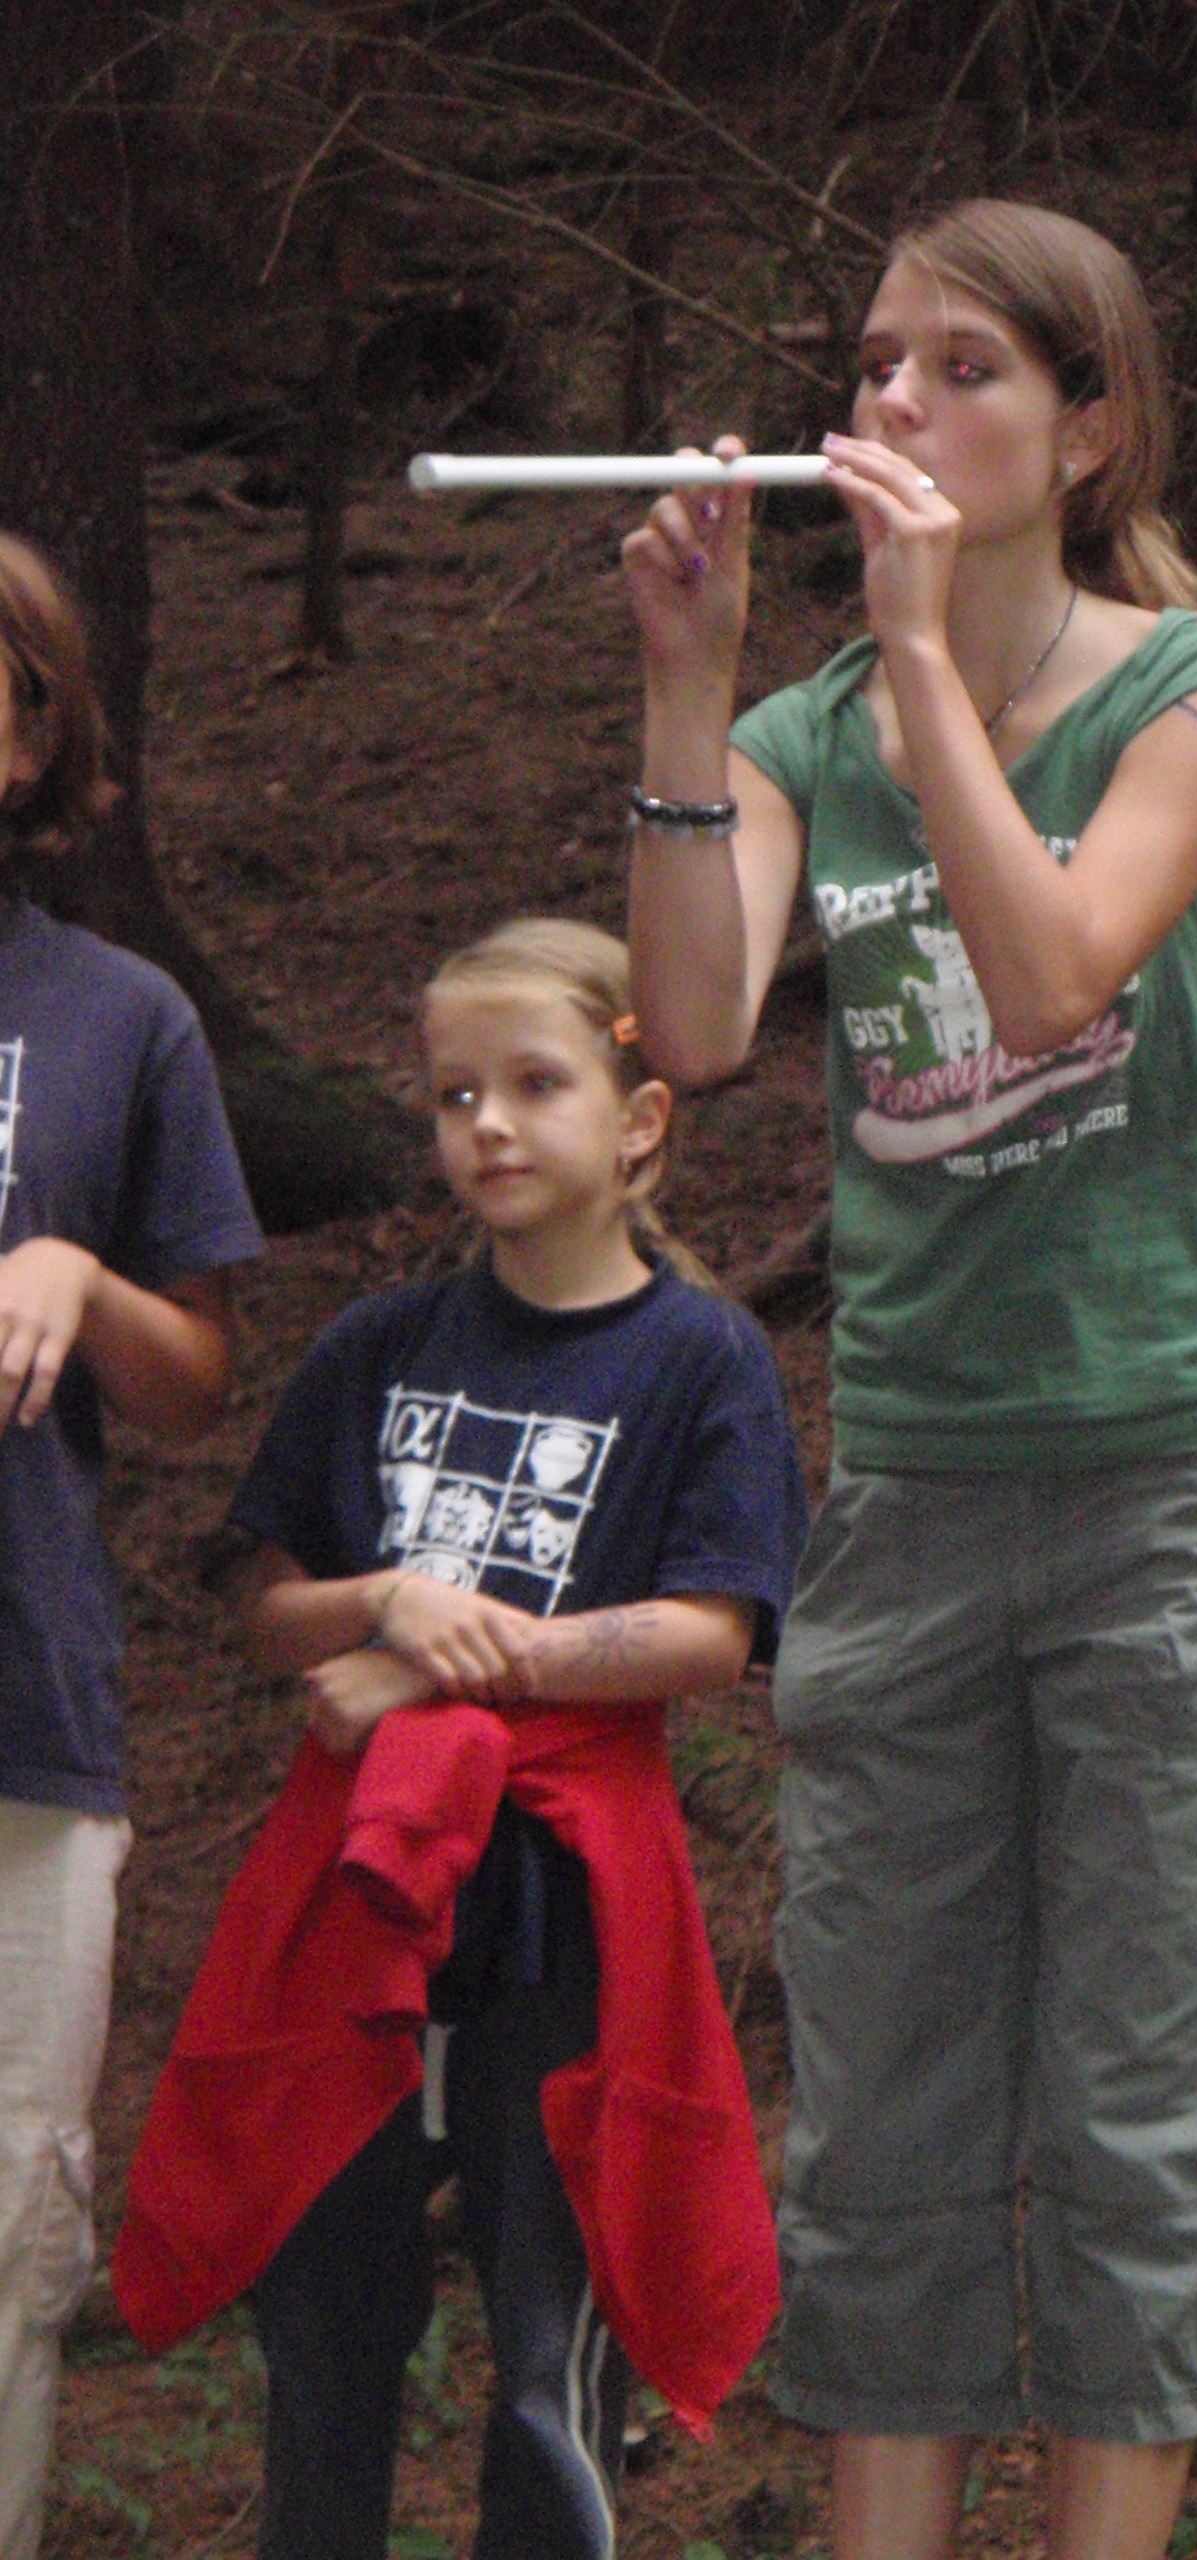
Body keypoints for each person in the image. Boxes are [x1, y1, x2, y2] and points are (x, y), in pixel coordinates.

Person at [618, 199, 1197, 2560]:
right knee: (890, 2117)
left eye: (964, 368)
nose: (895, 400)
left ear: (1089, 427)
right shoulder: (807, 731)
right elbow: (694, 1027)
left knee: (1147, 2112)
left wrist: (918, 651)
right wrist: (689, 691)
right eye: (874, 362)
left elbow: (1050, 977)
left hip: (1173, 1493)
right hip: (912, 1498)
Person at [111, 918, 808, 2560]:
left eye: (535, 1084)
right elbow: (272, 1611)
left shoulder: (701, 1358)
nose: (488, 1124)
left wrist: (445, 1674)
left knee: (549, 2337)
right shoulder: (376, 1348)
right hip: (358, 1893)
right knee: (325, 2312)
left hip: (566, 1914)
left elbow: (712, 1635)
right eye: (452, 1095)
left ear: (638, 1122)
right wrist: (384, 1602)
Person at [0, 532, 262, 2560]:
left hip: (25, 1709)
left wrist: (80, 1278)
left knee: (14, 2216)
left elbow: (197, 1385)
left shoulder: (118, 1015)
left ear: (31, 734)